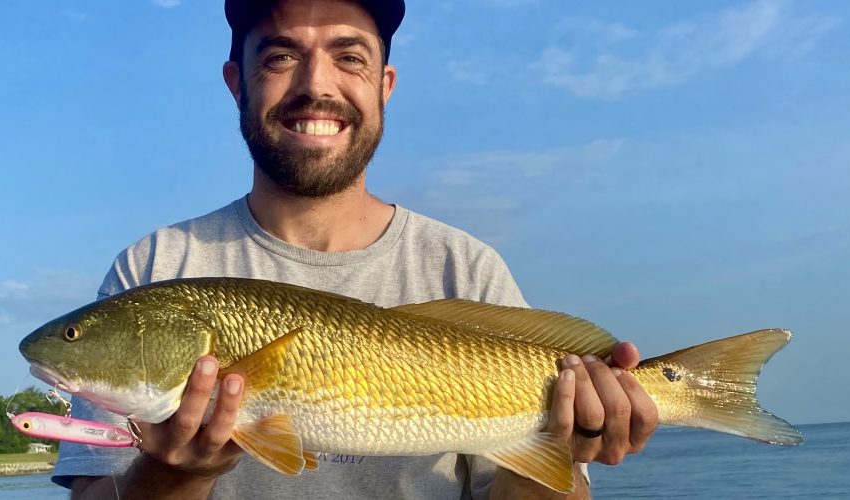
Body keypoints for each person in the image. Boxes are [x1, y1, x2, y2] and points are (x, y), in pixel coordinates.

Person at [53, 0, 658, 498]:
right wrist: (171, 473)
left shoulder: (466, 269)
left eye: (349, 56)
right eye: (281, 55)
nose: (316, 84)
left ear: (384, 85)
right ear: (236, 82)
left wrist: (563, 449)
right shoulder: (154, 267)